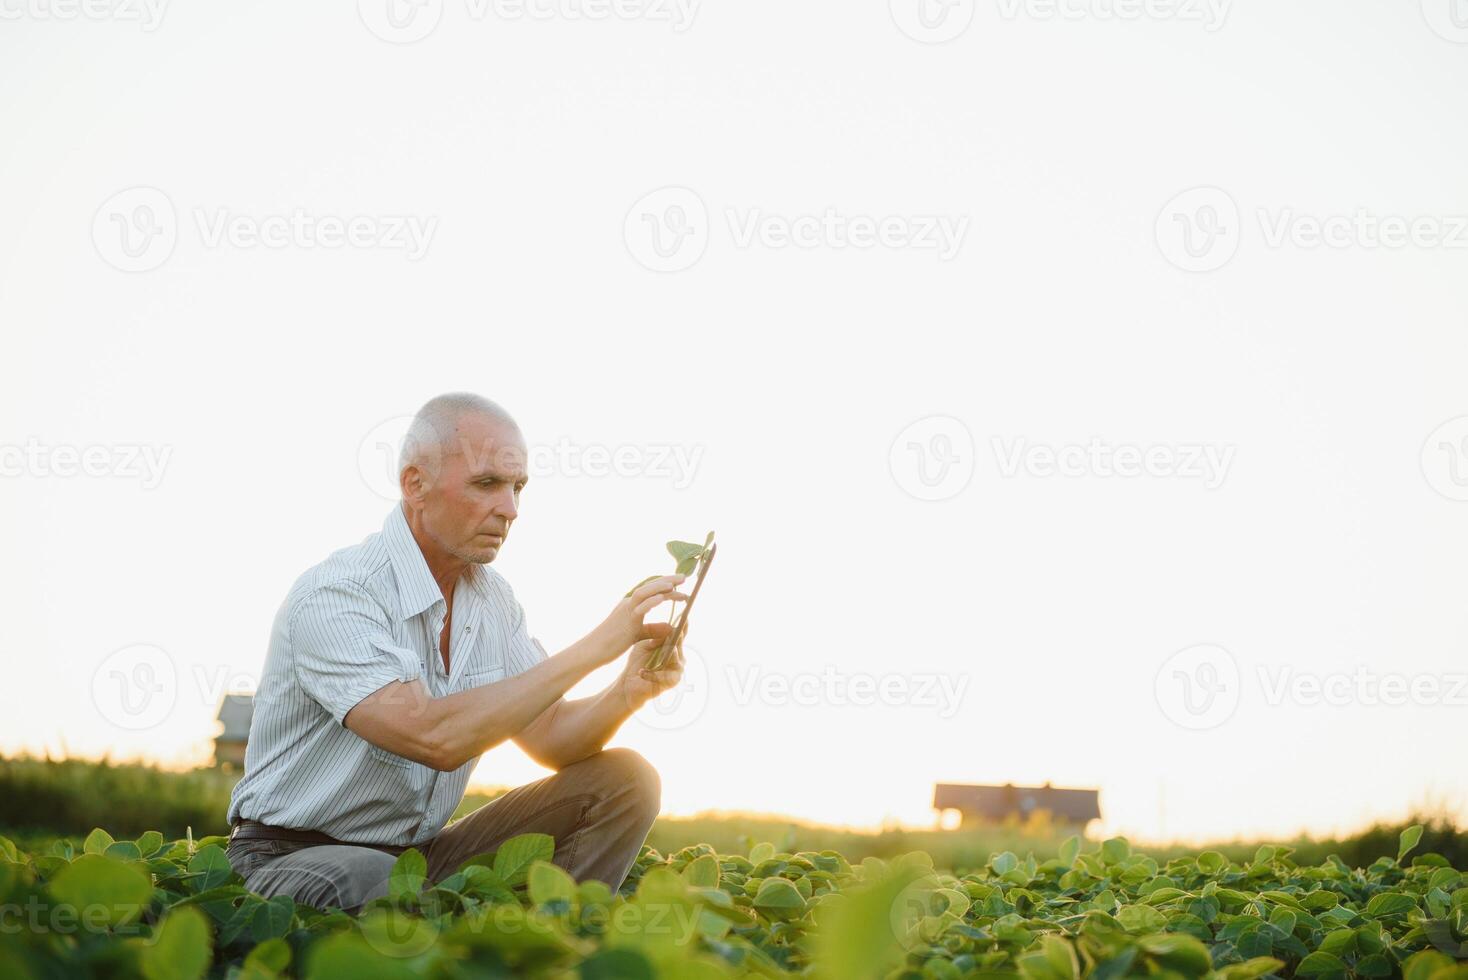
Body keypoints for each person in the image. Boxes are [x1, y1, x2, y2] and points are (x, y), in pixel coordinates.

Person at [225, 393, 687, 912]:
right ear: (414, 484)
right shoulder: (337, 594)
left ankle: (548, 946)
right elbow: (433, 736)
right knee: (374, 877)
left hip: (419, 857)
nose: (510, 509)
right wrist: (596, 647)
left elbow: (551, 737)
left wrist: (624, 693)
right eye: (487, 484)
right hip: (287, 857)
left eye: (517, 488)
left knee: (624, 781)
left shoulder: (493, 600)